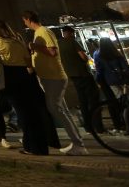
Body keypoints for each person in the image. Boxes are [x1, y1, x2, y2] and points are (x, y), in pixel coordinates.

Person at [22, 11, 88, 155]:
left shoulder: (43, 31)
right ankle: (77, 142)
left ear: (28, 19)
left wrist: (35, 47)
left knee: (55, 108)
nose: (25, 24)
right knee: (62, 110)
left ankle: (78, 144)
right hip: (50, 77)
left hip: (53, 77)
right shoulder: (39, 32)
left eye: (25, 21)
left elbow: (53, 52)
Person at [0, 20, 48, 155]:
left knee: (22, 112)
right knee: (31, 111)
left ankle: (32, 147)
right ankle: (38, 145)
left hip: (9, 77)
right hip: (24, 75)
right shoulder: (18, 40)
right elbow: (28, 61)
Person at [59, 25, 98, 131]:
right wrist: (87, 58)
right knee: (93, 100)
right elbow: (83, 57)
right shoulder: (73, 42)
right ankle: (97, 125)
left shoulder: (59, 43)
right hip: (83, 74)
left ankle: (88, 126)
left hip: (72, 76)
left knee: (82, 101)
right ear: (71, 33)